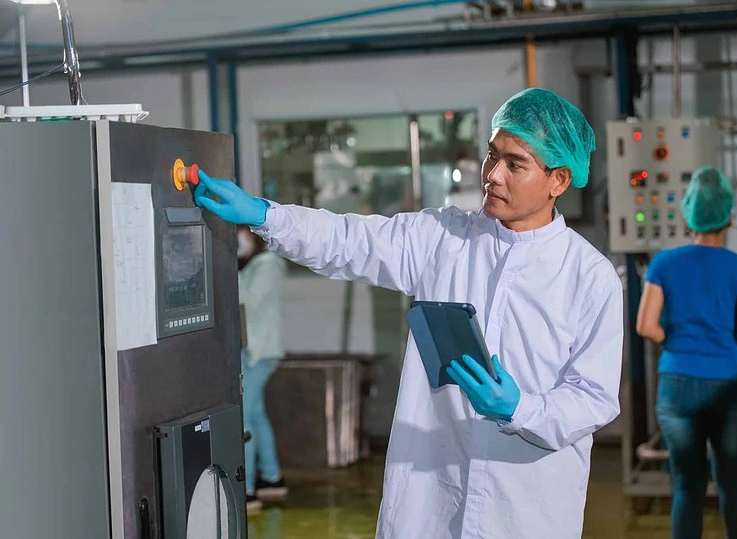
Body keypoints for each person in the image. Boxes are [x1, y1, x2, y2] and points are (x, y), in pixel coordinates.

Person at [194, 88, 623, 538]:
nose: (493, 175)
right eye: (492, 155)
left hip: (525, 509)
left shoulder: (588, 277)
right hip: (431, 503)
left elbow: (593, 397)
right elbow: (347, 241)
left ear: (558, 180)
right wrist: (265, 215)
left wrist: (522, 409)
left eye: (516, 164)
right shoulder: (443, 239)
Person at [636, 166, 737, 539]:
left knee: (687, 485)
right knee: (732, 483)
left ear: (688, 214)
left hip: (677, 386)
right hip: (728, 385)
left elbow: (646, 326)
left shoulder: (664, 263)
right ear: (730, 216)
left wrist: (677, 342)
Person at [237, 224, 289, 514]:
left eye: (241, 234)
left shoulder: (268, 264)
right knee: (255, 414)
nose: (238, 240)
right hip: (252, 352)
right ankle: (271, 477)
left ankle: (247, 492)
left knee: (243, 416)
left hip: (260, 353)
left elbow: (248, 300)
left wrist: (228, 267)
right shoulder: (253, 265)